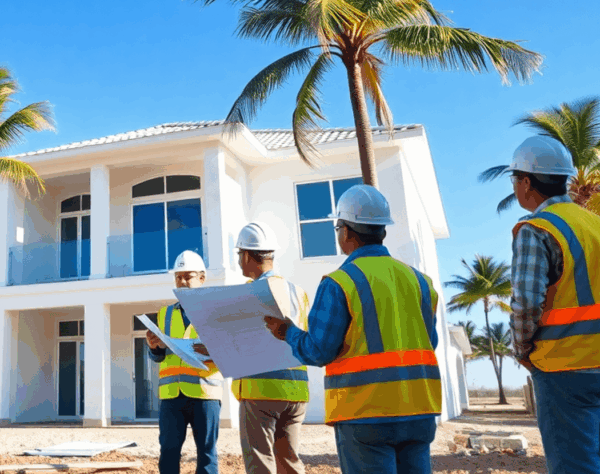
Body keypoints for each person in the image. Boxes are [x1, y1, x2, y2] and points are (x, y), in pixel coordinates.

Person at [265, 184, 441, 474]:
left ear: (346, 232)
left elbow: (318, 350)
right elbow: (428, 343)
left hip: (365, 413)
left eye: (338, 228)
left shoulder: (340, 283)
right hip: (419, 409)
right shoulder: (420, 282)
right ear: (382, 230)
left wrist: (288, 333)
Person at [504, 135, 600, 474]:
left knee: (574, 466)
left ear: (526, 182)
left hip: (566, 368)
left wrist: (522, 350)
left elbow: (526, 304)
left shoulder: (537, 229)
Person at [233, 222, 311, 474]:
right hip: (297, 390)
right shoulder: (299, 292)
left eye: (238, 255)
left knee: (261, 464)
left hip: (261, 390)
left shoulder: (248, 292)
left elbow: (236, 341)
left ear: (246, 255)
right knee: (289, 462)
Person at [147, 250, 223, 474]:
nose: (181, 282)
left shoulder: (217, 312)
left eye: (187, 276)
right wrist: (154, 348)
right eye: (178, 277)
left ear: (202, 278)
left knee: (207, 453)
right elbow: (159, 357)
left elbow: (229, 353)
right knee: (168, 452)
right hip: (171, 397)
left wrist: (212, 351)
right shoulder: (164, 314)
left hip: (205, 394)